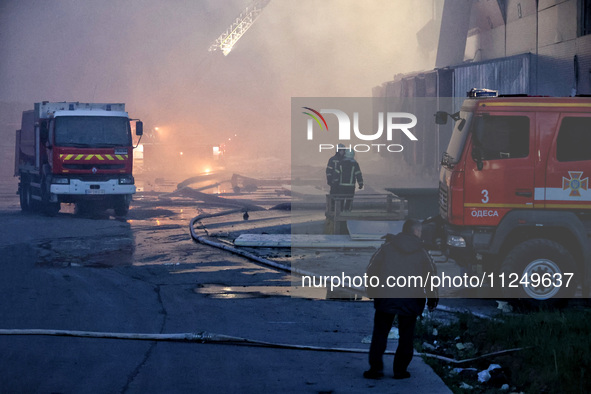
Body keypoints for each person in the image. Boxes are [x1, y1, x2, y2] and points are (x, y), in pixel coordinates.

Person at [364, 219, 438, 380]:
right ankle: (400, 370)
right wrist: (432, 299)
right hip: (411, 300)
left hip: (386, 298)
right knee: (407, 336)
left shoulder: (387, 247)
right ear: (415, 232)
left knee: (380, 334)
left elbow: (371, 270)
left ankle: (375, 369)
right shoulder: (422, 252)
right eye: (420, 230)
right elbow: (431, 277)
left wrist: (371, 290)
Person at [326, 144, 346, 212]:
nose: (342, 152)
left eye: (343, 150)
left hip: (342, 183)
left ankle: (340, 211)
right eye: (341, 150)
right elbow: (328, 171)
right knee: (333, 197)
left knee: (341, 198)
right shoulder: (332, 159)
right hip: (334, 183)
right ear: (338, 150)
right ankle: (332, 210)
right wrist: (329, 180)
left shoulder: (345, 159)